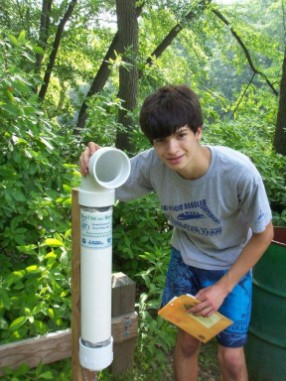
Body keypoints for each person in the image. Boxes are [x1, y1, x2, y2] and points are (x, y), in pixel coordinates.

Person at [79, 85, 273, 381]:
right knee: (186, 342)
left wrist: (222, 288)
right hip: (186, 259)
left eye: (180, 135)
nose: (171, 149)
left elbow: (264, 234)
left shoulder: (238, 173)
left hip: (230, 265)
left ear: (198, 132)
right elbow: (109, 181)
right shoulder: (152, 165)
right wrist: (93, 162)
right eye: (161, 140)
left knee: (232, 357)